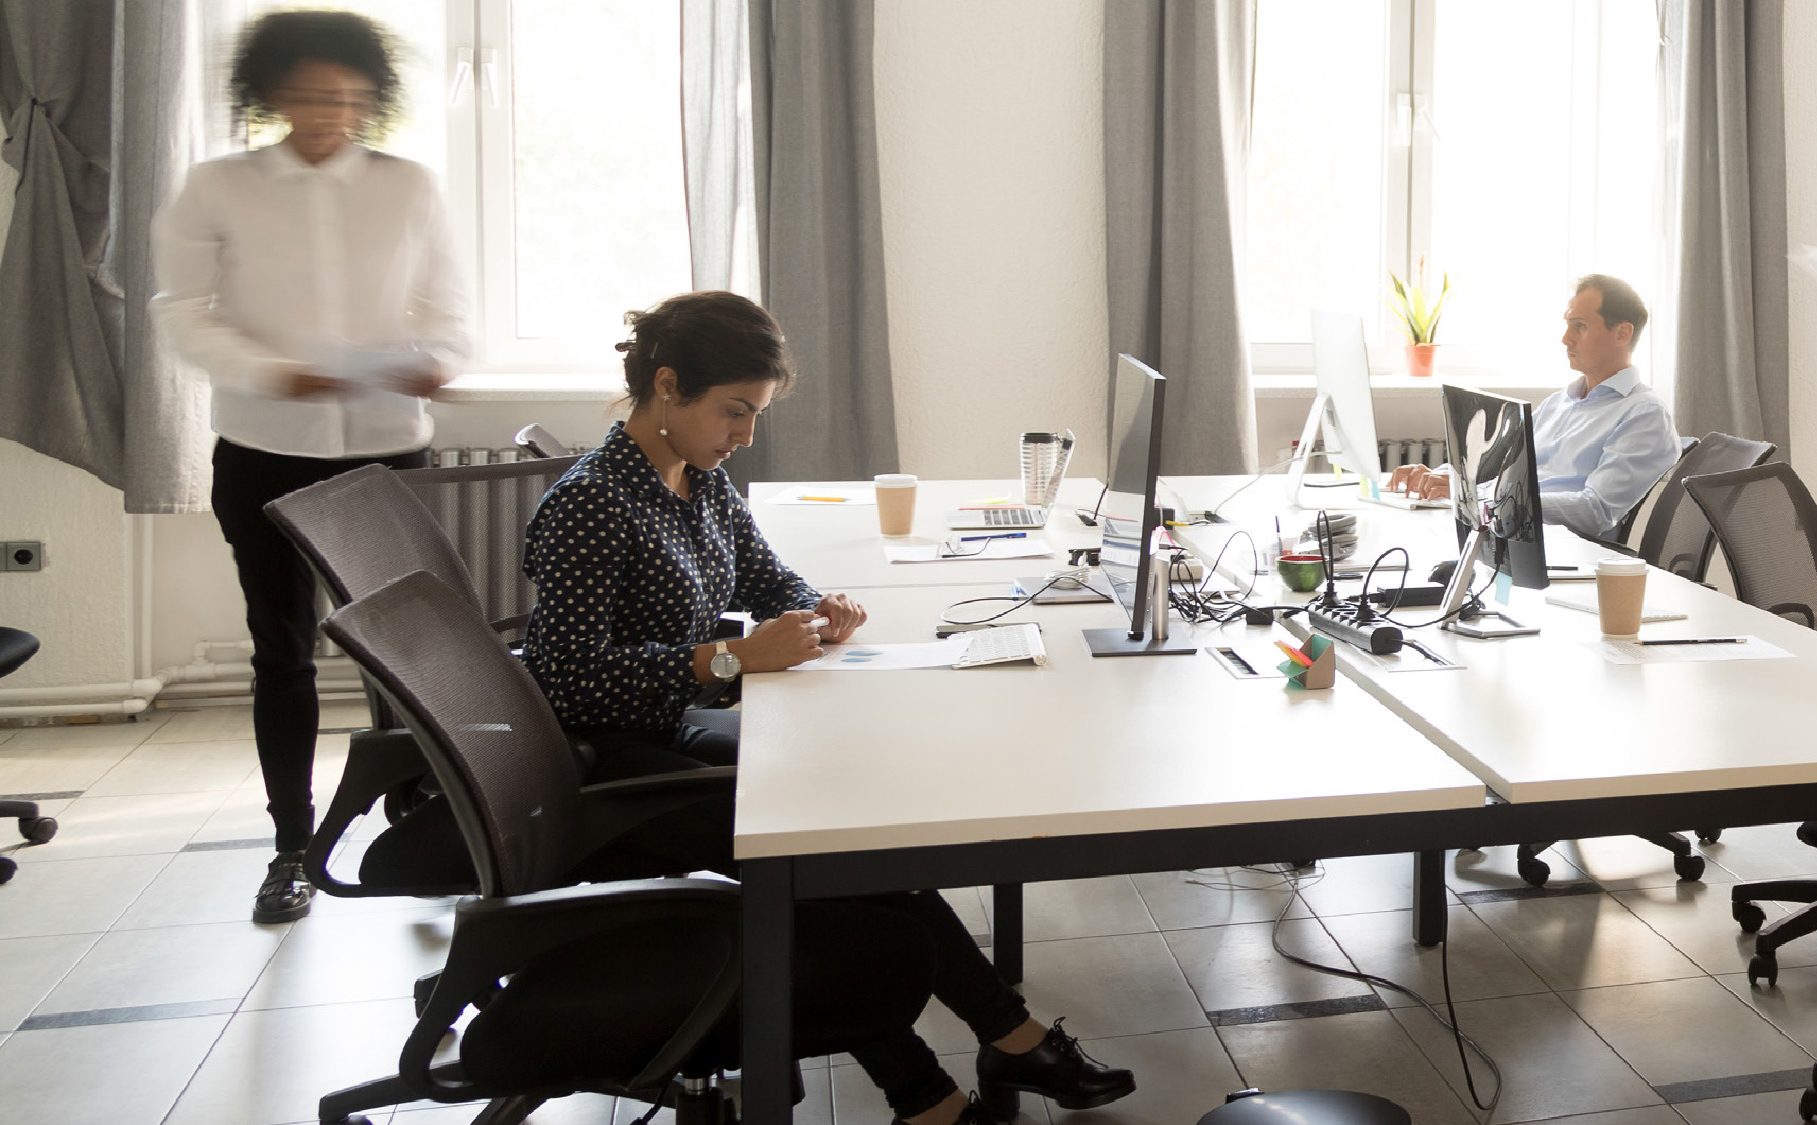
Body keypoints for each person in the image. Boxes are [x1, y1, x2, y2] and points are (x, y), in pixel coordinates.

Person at [520, 290, 1137, 1125]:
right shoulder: (593, 502)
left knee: (857, 845)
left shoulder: (698, 478)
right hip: (616, 773)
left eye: (754, 416)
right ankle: (986, 1056)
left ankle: (964, 1072)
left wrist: (821, 606)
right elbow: (564, 680)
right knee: (840, 872)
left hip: (672, 729)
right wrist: (731, 656)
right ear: (667, 386)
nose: (743, 435)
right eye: (733, 412)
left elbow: (765, 576)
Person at [152, 10, 468, 924]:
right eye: (308, 94)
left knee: (409, 650)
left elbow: (450, 311)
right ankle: (290, 846)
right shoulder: (218, 185)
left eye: (346, 95)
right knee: (281, 651)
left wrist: (433, 358)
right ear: (272, 94)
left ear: (372, 96)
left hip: (386, 445)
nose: (329, 111)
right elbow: (180, 309)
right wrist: (274, 371)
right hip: (262, 451)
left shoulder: (409, 187)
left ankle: (429, 820)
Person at [1386, 275, 1679, 541]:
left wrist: (1485, 502)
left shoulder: (1644, 414)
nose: (1566, 338)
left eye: (1580, 326)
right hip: (1509, 534)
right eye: (1568, 325)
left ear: (1622, 334)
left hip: (1558, 549)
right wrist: (1442, 478)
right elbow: (1497, 465)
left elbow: (1596, 511)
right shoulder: (1558, 403)